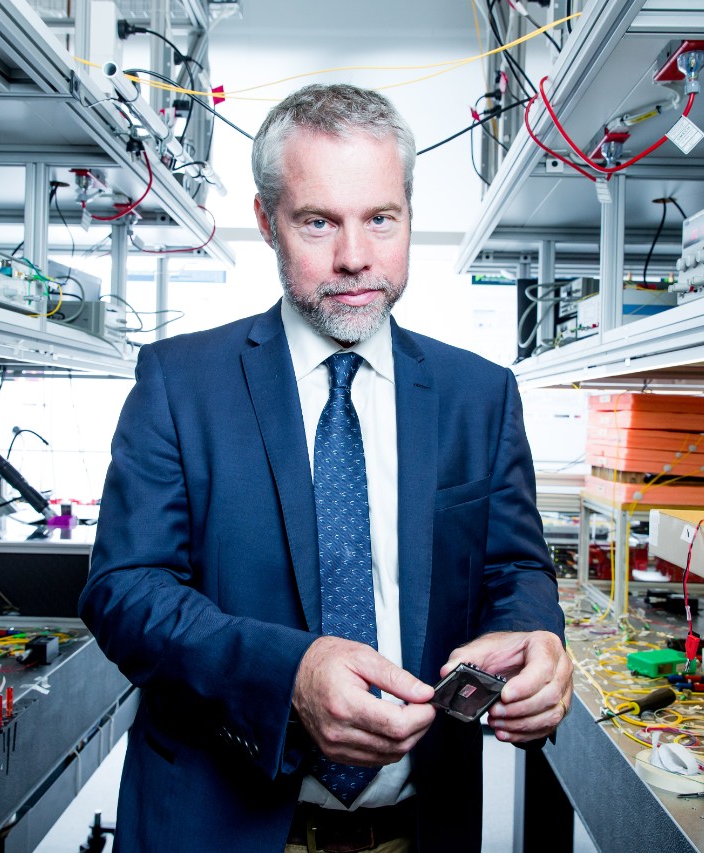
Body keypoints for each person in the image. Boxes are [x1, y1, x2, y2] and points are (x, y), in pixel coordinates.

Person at [80, 83, 572, 853]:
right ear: (267, 224)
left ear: (410, 213)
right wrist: (289, 675)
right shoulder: (181, 382)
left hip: (418, 830)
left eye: (382, 218)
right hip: (219, 826)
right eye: (318, 222)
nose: (354, 256)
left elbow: (514, 569)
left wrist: (536, 638)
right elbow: (123, 591)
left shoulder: (480, 395)